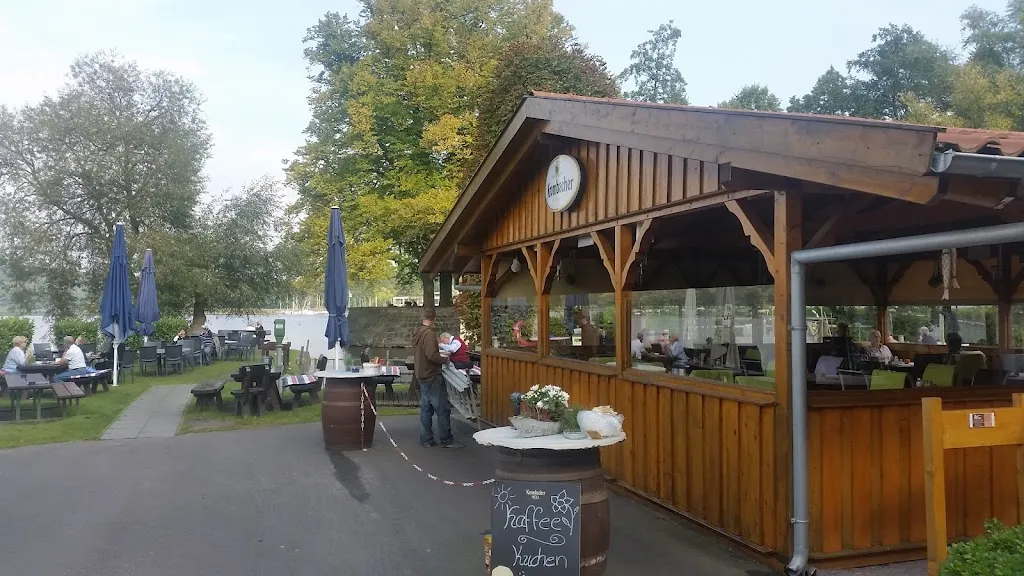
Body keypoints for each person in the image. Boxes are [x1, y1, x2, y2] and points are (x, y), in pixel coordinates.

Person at [412, 308, 462, 449]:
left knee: (426, 409)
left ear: (423, 317)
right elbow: (432, 355)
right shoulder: (429, 334)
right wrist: (444, 360)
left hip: (421, 375)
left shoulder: (417, 333)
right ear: (434, 318)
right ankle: (446, 440)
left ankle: (426, 439)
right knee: (443, 408)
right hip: (431, 375)